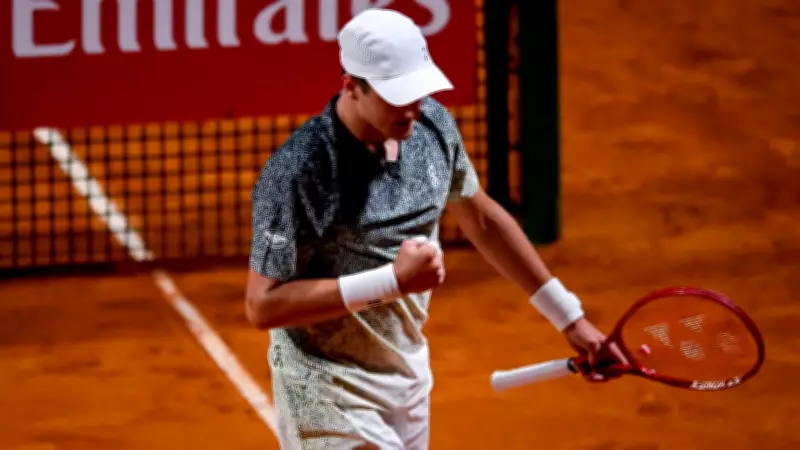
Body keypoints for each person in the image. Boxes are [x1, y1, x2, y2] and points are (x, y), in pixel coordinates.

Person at [245, 8, 627, 450]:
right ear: (351, 85)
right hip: (321, 387)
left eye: (418, 91)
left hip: (406, 380)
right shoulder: (299, 173)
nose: (411, 108)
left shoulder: (432, 129)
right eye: (395, 96)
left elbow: (481, 217)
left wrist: (570, 318)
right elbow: (262, 306)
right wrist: (391, 282)